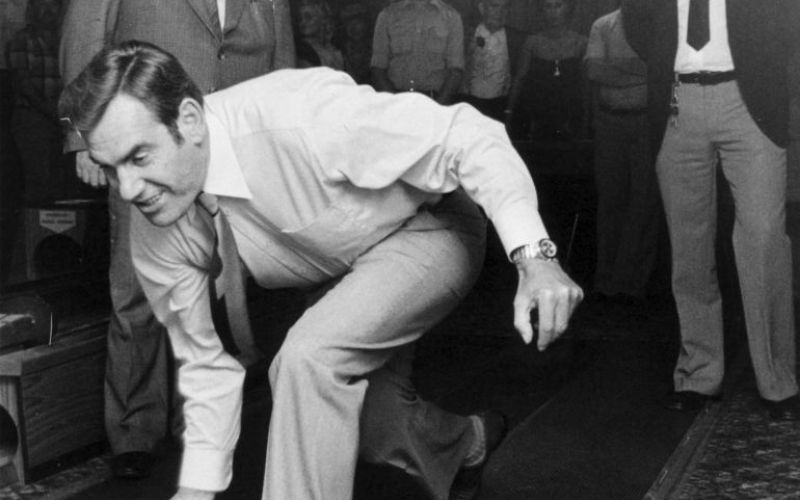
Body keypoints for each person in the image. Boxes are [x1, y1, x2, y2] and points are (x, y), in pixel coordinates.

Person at [59, 41, 583, 500]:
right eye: (110, 168)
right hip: (339, 265)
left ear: (190, 121)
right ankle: (470, 442)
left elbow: (469, 135)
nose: (127, 189)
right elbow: (201, 357)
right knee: (362, 423)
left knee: (308, 358)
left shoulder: (302, 115)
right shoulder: (152, 205)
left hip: (428, 228)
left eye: (139, 157)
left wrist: (536, 258)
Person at [58, 0, 295, 479]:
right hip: (137, 144)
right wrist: (84, 136)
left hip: (229, 149)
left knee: (217, 287)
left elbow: (283, 63)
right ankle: (134, 433)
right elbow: (85, 32)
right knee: (137, 290)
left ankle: (199, 424)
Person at [622, 0, 800, 420]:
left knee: (764, 236)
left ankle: (777, 380)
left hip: (749, 100)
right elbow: (638, 25)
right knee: (689, 244)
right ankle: (699, 374)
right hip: (678, 100)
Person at [584, 6, 660, 306]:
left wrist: (616, 69)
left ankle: (633, 284)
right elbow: (594, 70)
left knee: (644, 202)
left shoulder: (658, 23)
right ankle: (607, 281)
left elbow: (662, 73)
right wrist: (642, 71)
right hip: (609, 122)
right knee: (610, 200)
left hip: (646, 123)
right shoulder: (602, 24)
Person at [6, 0, 65, 204]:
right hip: (32, 118)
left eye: (53, 5)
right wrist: (52, 112)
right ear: (32, 9)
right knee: (38, 181)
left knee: (59, 184)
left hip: (59, 118)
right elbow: (24, 86)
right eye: (43, 5)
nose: (48, 10)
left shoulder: (63, 41)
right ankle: (34, 233)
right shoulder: (22, 40)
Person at [506, 0, 587, 141]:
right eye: (548, 6)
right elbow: (520, 79)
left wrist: (589, 117)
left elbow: (587, 85)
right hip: (538, 118)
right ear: (542, 10)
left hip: (571, 117)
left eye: (558, 5)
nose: (553, 12)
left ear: (568, 8)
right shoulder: (532, 43)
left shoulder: (580, 43)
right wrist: (509, 111)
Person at [370, 0, 465, 105]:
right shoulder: (387, 16)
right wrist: (395, 106)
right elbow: (378, 68)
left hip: (435, 101)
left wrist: (437, 109)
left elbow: (455, 71)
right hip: (396, 101)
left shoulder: (451, 18)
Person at [460, 0, 525, 122]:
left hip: (501, 106)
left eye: (504, 7)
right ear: (482, 8)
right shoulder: (466, 35)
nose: (500, 13)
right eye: (494, 6)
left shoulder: (517, 39)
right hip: (470, 104)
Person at [293, 0, 345, 70]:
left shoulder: (334, 45)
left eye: (308, 17)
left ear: (322, 18)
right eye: (300, 18)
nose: (303, 23)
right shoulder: (302, 49)